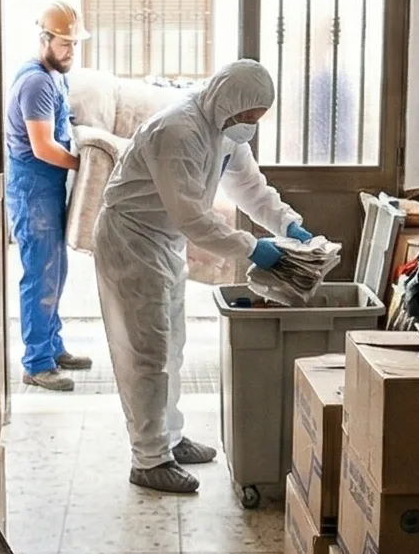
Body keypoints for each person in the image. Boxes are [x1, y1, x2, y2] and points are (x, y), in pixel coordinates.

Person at [93, 59, 321, 494]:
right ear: (227, 103)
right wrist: (255, 248)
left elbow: (250, 188)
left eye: (257, 120)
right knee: (146, 352)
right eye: (248, 118)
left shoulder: (223, 130)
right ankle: (149, 458)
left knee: (171, 346)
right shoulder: (179, 131)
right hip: (131, 240)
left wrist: (287, 225)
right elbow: (193, 218)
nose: (250, 126)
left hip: (161, 241)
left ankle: (169, 439)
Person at [6, 1, 92, 392]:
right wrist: (85, 166)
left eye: (75, 44)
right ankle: (36, 362)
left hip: (48, 186)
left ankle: (52, 346)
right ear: (44, 40)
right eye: (64, 44)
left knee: (56, 271)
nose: (71, 51)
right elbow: (42, 147)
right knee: (40, 273)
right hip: (33, 185)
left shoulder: (56, 77)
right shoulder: (37, 82)